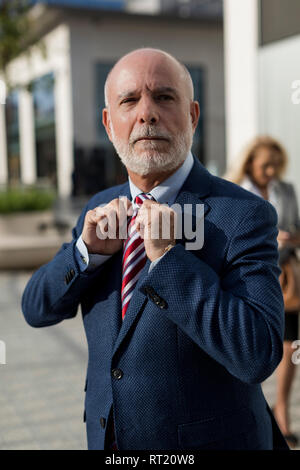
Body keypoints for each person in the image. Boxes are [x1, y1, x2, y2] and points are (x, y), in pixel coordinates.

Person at [22, 48, 288, 450]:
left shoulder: (244, 215)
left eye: (164, 97)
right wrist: (85, 253)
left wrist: (168, 261)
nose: (147, 113)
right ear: (109, 123)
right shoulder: (99, 209)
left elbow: (258, 353)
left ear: (193, 115)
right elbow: (34, 308)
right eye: (129, 100)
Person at [225, 135, 300, 448]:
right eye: (265, 165)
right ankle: (245, 413)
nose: (271, 171)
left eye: (275, 165)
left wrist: (288, 238)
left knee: (289, 346)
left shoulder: (287, 191)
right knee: (243, 345)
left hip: (286, 280)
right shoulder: (232, 192)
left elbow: (297, 229)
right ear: (250, 163)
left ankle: (282, 411)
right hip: (244, 280)